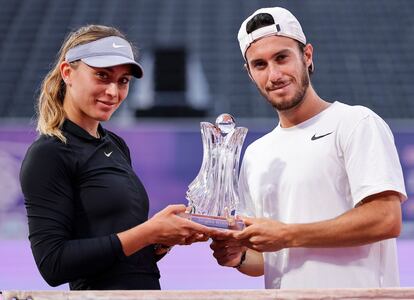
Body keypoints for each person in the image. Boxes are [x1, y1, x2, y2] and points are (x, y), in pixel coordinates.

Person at [210, 7, 407, 288]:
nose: (274, 74)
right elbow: (267, 258)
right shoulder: (256, 154)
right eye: (260, 65)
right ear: (249, 73)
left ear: (307, 55)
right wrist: (238, 256)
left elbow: (386, 219)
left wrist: (287, 234)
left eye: (282, 57)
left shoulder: (356, 122)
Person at [20, 25, 214, 290]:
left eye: (123, 81)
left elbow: (119, 253)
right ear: (68, 73)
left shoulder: (116, 145)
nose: (113, 91)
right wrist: (149, 231)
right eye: (102, 76)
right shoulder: (48, 154)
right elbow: (53, 264)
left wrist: (161, 241)